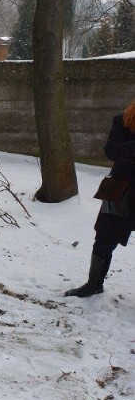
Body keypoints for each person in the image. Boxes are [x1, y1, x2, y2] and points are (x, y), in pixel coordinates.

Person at [65, 100, 135, 297]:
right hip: (120, 190)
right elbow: (112, 150)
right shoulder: (122, 121)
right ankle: (94, 284)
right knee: (104, 237)